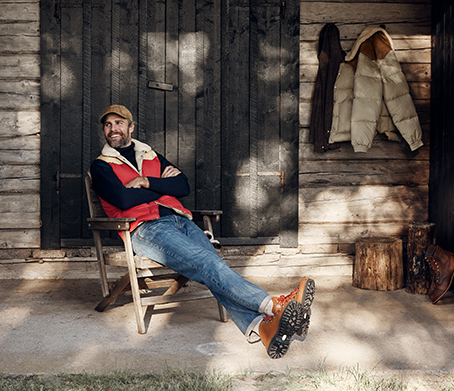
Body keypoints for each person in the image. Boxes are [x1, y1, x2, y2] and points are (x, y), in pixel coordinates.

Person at [89, 104, 315, 359]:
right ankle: (272, 305)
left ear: (131, 127)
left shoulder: (151, 156)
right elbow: (122, 199)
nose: (113, 129)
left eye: (119, 123)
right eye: (108, 125)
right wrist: (163, 186)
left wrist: (145, 182)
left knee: (212, 265)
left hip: (180, 220)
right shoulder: (101, 166)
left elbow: (182, 186)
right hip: (145, 229)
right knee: (206, 262)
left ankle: (260, 328)